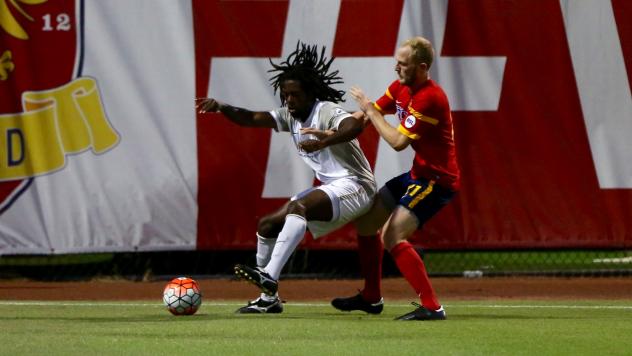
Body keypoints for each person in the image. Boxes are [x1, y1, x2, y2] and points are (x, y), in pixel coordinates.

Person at [196, 43, 384, 314]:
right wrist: (222, 107)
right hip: (334, 187)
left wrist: (324, 141)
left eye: (295, 95)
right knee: (267, 224)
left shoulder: (325, 110)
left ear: (310, 94)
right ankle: (267, 298)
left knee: (300, 208)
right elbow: (252, 118)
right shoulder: (290, 116)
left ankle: (269, 276)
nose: (289, 100)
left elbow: (352, 126)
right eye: (285, 95)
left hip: (358, 186)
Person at [339, 36, 460, 320]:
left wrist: (369, 110)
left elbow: (396, 141)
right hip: (418, 173)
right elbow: (367, 115)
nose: (397, 68)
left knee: (392, 235)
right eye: (396, 63)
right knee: (367, 223)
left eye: (403, 65)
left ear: (421, 67)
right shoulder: (401, 87)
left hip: (437, 181)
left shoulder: (430, 97)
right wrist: (329, 134)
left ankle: (432, 307)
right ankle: (371, 297)